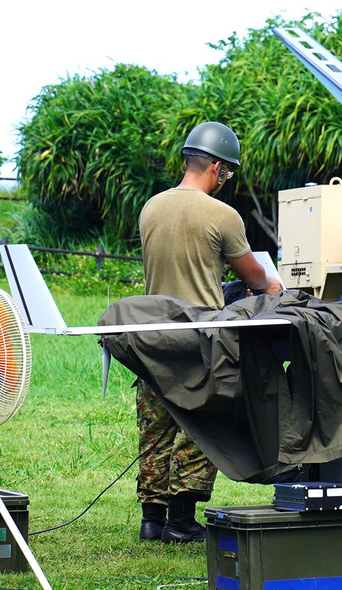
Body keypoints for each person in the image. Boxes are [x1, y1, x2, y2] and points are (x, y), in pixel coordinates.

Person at [136, 121, 284, 543]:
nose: (226, 180)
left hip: (149, 335)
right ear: (216, 167)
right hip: (197, 340)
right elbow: (256, 279)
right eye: (227, 173)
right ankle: (181, 522)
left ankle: (152, 520)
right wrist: (276, 288)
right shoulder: (222, 215)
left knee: (156, 425)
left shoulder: (151, 207)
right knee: (204, 427)